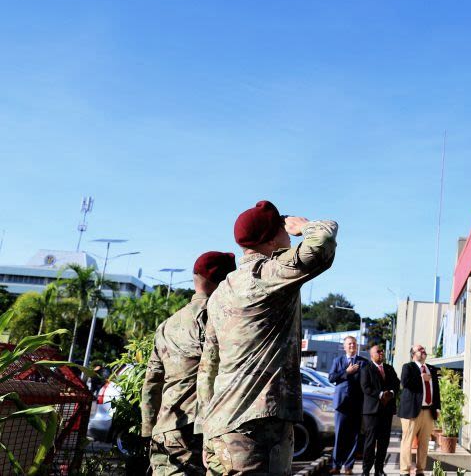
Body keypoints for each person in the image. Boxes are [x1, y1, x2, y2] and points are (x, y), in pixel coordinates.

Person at [198, 200, 338, 476]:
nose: (289, 233)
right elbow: (322, 238)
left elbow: (208, 367)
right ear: (271, 239)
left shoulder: (220, 293)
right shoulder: (267, 275)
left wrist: (206, 428)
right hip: (257, 428)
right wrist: (303, 225)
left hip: (220, 425)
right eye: (283, 228)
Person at [141, 250, 237, 476]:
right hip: (196, 431)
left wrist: (149, 429)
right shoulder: (216, 317)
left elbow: (152, 382)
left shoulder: (167, 325)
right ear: (223, 282)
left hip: (165, 429)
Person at [397, 344, 441, 476]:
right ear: (413, 354)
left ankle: (420, 470)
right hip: (412, 411)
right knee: (407, 442)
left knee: (424, 443)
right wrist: (421, 377)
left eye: (424, 349)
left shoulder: (431, 369)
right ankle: (404, 471)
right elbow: (405, 383)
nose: (423, 351)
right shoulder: (408, 367)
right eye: (420, 350)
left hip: (429, 411)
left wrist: (438, 407)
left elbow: (436, 390)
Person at [328, 335, 367, 475]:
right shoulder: (337, 361)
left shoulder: (363, 362)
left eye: (354, 344)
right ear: (344, 347)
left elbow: (366, 383)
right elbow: (331, 378)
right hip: (341, 404)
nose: (352, 346)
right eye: (349, 344)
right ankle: (336, 465)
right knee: (340, 436)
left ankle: (348, 466)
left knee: (354, 437)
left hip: (357, 404)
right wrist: (346, 372)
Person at [359, 344, 400, 476]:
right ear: (372, 355)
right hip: (372, 412)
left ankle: (379, 470)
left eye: (382, 352)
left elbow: (396, 384)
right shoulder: (366, 368)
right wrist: (381, 394)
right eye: (378, 352)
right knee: (370, 443)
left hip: (386, 412)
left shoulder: (389, 368)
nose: (381, 353)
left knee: (383, 442)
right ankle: (366, 471)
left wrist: (391, 393)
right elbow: (366, 388)